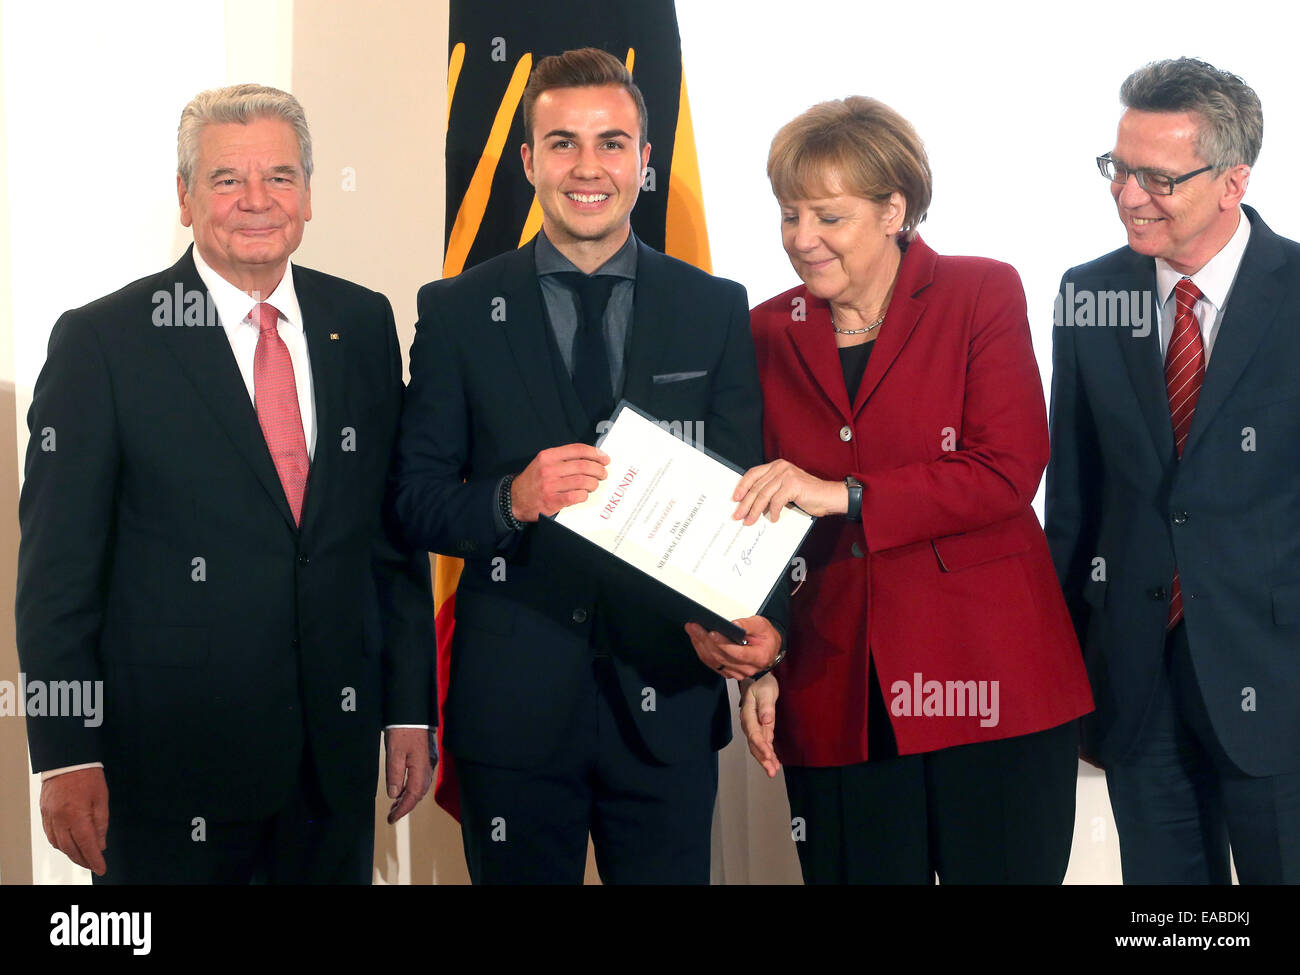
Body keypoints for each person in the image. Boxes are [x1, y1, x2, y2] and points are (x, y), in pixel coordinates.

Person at [16, 84, 436, 884]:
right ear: (184, 197)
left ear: (309, 195)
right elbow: (55, 578)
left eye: (279, 177)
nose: (256, 201)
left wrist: (408, 707)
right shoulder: (101, 343)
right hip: (165, 782)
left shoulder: (365, 323)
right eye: (225, 180)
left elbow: (389, 541)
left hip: (331, 776)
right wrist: (65, 753)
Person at [395, 47, 784, 884]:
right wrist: (511, 498)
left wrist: (762, 631)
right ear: (529, 160)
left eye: (612, 143)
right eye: (563, 143)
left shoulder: (713, 307)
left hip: (669, 700)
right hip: (511, 709)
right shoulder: (456, 310)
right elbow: (414, 502)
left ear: (645, 162)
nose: (588, 167)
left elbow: (751, 496)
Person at [737, 97, 1094, 884]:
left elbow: (1006, 467)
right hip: (836, 695)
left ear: (894, 208)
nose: (802, 238)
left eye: (828, 216)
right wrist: (763, 658)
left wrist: (844, 494)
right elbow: (749, 512)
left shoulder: (980, 293)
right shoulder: (761, 330)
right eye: (789, 214)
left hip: (990, 680)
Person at [1046, 58, 1300, 884]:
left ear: (1233, 181)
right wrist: (1067, 666)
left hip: (1281, 682)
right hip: (1137, 681)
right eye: (1118, 169)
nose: (1127, 195)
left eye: (1158, 177)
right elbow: (1077, 499)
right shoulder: (1087, 294)